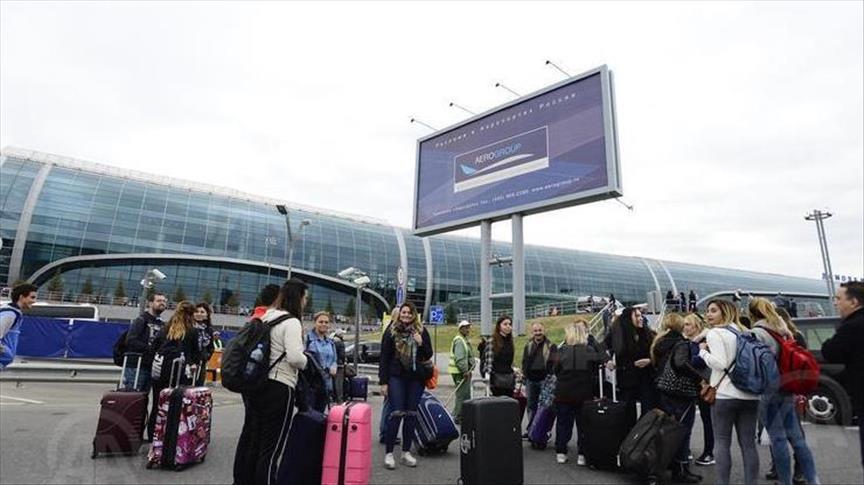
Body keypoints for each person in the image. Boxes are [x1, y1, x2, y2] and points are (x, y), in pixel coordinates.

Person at [233, 278, 308, 485]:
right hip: (280, 386)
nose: (305, 303)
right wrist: (306, 361)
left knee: (254, 442)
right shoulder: (292, 322)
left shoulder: (267, 316)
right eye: (305, 298)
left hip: (257, 385)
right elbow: (295, 358)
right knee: (271, 449)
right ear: (298, 298)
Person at [747, 297, 820, 485]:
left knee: (778, 439)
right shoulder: (784, 330)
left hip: (769, 390)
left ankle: (784, 480)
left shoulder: (757, 333)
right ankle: (812, 478)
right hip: (787, 388)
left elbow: (754, 364)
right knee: (797, 438)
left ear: (752, 314)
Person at [697, 299, 759, 485]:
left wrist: (703, 352)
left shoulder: (715, 333)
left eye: (713, 310)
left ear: (725, 312)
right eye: (708, 310)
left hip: (725, 395)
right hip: (750, 394)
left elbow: (720, 363)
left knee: (722, 442)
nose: (708, 314)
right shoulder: (744, 333)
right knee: (748, 444)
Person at [379, 301, 433, 470]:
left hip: (416, 378)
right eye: (404, 312)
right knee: (396, 413)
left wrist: (420, 342)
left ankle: (405, 452)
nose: (406, 315)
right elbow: (384, 357)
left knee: (411, 414)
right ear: (399, 313)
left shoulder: (421, 330)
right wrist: (383, 382)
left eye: (410, 312)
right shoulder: (391, 330)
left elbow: (428, 354)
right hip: (396, 376)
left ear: (414, 314)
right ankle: (389, 453)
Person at [651, 313, 704, 483]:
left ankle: (665, 465)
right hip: (682, 391)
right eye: (685, 324)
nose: (687, 327)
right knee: (683, 430)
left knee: (669, 430)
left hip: (665, 389)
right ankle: (681, 469)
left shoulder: (659, 341)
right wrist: (699, 377)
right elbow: (681, 364)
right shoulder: (682, 343)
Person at [821, 281, 864, 472]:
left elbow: (831, 351)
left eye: (839, 298)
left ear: (854, 302)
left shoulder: (852, 326)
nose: (835, 303)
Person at [553, 318, 605, 466]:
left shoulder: (562, 350)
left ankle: (561, 452)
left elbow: (556, 370)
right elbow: (594, 371)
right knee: (583, 425)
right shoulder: (589, 350)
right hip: (583, 393)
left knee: (563, 424)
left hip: (564, 393)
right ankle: (582, 454)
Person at [125, 291, 168, 441]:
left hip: (152, 367)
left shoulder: (162, 324)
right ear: (150, 303)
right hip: (136, 367)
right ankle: (126, 436)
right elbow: (131, 340)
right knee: (133, 401)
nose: (162, 303)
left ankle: (137, 435)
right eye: (159, 300)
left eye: (164, 301)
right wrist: (151, 350)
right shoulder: (141, 320)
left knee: (144, 402)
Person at [608, 306, 657, 426]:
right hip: (627, 377)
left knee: (648, 409)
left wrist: (650, 360)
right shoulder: (618, 334)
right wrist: (607, 360)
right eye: (637, 316)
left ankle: (642, 433)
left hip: (645, 377)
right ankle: (630, 434)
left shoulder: (648, 333)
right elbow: (601, 348)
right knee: (628, 412)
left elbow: (657, 353)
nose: (641, 318)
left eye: (641, 315)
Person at [682, 313, 715, 467]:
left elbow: (698, 361)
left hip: (703, 385)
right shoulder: (688, 342)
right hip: (693, 384)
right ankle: (685, 449)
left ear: (696, 326)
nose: (685, 327)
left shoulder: (702, 341)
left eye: (688, 324)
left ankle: (709, 451)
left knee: (707, 419)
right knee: (688, 418)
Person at [521, 322, 556, 433]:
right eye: (535, 331)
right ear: (532, 332)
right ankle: (531, 429)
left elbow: (554, 364)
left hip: (545, 380)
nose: (538, 333)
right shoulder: (528, 345)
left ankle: (542, 431)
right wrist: (524, 374)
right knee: (531, 405)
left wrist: (550, 377)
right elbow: (524, 361)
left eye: (540, 330)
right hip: (530, 380)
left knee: (544, 407)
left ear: (544, 331)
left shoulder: (551, 346)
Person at [0, 283, 38, 370]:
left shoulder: (11, 312)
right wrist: (8, 354)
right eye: (32, 297)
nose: (34, 301)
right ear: (21, 297)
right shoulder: (10, 314)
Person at [478, 315, 517, 397]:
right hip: (496, 381)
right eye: (505, 324)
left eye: (510, 324)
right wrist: (488, 382)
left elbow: (510, 362)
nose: (508, 326)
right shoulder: (492, 341)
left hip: (509, 380)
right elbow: (488, 363)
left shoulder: (510, 341)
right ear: (499, 326)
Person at [306, 311, 338, 403]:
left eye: (326, 322)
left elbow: (334, 360)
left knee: (321, 411)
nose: (324, 324)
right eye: (320, 322)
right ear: (314, 323)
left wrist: (334, 366)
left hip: (326, 385)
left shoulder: (331, 343)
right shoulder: (307, 339)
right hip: (310, 385)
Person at [447, 320, 474, 424]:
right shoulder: (459, 341)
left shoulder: (463, 339)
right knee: (462, 395)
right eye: (465, 328)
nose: (468, 330)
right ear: (461, 329)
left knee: (464, 394)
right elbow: (460, 359)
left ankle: (461, 415)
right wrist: (465, 371)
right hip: (460, 373)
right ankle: (458, 416)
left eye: (468, 327)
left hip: (462, 372)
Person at [192, 302, 215, 386]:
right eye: (196, 311)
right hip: (189, 363)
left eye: (202, 312)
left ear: (207, 315)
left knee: (198, 387)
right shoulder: (189, 327)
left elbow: (211, 347)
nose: (199, 314)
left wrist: (206, 357)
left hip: (201, 363)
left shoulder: (209, 330)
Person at [332, 328, 347, 402]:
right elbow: (342, 355)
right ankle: (340, 399)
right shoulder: (340, 343)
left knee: (333, 381)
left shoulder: (332, 341)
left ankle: (333, 397)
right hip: (339, 365)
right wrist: (344, 362)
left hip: (332, 364)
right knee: (339, 382)